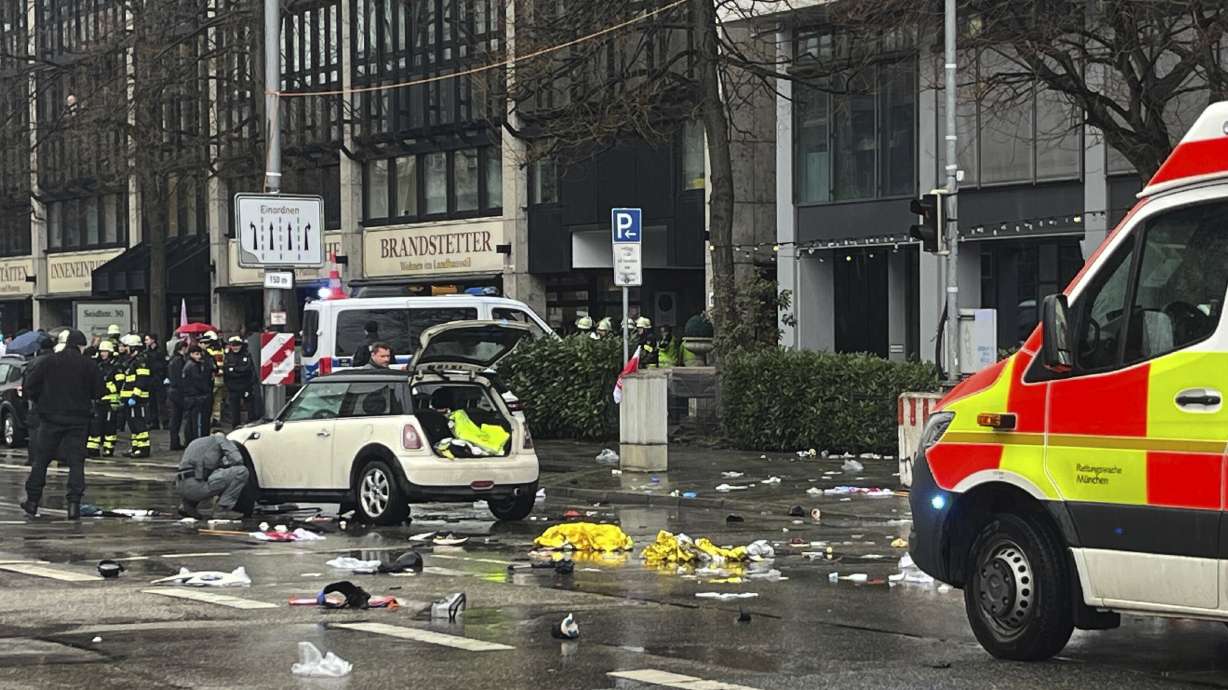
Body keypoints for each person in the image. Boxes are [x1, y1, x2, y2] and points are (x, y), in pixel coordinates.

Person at [21, 329, 104, 520]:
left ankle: (32, 501)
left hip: (50, 418)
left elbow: (30, 386)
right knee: (76, 463)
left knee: (41, 461)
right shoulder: (88, 365)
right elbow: (99, 391)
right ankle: (73, 505)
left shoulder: (49, 361)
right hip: (78, 420)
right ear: (81, 346)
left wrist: (42, 402)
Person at [174, 427, 250, 520]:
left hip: (180, 487)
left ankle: (187, 507)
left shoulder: (196, 442)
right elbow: (237, 459)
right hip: (197, 488)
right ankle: (223, 510)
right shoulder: (220, 438)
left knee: (199, 474)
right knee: (241, 471)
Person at [118, 334, 153, 458]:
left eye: (127, 346)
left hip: (138, 399)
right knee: (132, 425)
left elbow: (142, 380)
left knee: (139, 424)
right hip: (129, 399)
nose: (125, 349)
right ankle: (135, 447)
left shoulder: (141, 361)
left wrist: (134, 396)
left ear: (133, 347)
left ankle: (143, 449)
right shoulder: (131, 361)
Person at [86, 340, 121, 457]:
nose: (103, 354)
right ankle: (93, 449)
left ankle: (108, 448)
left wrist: (106, 388)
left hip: (111, 401)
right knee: (95, 425)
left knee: (109, 426)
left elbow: (120, 383)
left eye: (105, 351)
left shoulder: (116, 366)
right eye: (101, 351)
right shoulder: (99, 366)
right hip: (99, 400)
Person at [181, 345, 214, 442]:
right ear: (191, 354)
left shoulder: (191, 365)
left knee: (192, 422)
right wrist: (206, 391)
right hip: (197, 398)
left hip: (193, 398)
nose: (199, 356)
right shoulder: (193, 366)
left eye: (200, 354)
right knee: (198, 423)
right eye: (197, 354)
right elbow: (199, 382)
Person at [223, 336, 257, 428]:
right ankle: (235, 425)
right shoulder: (228, 356)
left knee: (249, 405)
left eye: (237, 345)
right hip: (232, 386)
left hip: (245, 385)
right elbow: (226, 371)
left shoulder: (246, 355)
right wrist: (238, 371)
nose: (235, 347)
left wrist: (234, 370)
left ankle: (251, 423)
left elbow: (247, 369)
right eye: (233, 345)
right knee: (234, 408)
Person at [199, 331, 226, 427]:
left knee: (210, 401)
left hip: (213, 379)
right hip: (221, 379)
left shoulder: (208, 352)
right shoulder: (221, 350)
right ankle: (216, 419)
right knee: (218, 401)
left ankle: (210, 419)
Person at [167, 340, 189, 450]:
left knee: (174, 419)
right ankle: (175, 442)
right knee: (177, 418)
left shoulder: (172, 360)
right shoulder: (179, 361)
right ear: (183, 348)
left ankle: (174, 441)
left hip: (172, 391)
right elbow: (180, 378)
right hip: (178, 393)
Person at [144, 333, 168, 430]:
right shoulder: (147, 352)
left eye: (147, 339)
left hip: (158, 379)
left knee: (161, 402)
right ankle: (154, 422)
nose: (145, 342)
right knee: (152, 402)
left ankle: (165, 422)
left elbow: (163, 365)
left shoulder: (160, 352)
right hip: (150, 380)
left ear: (153, 340)